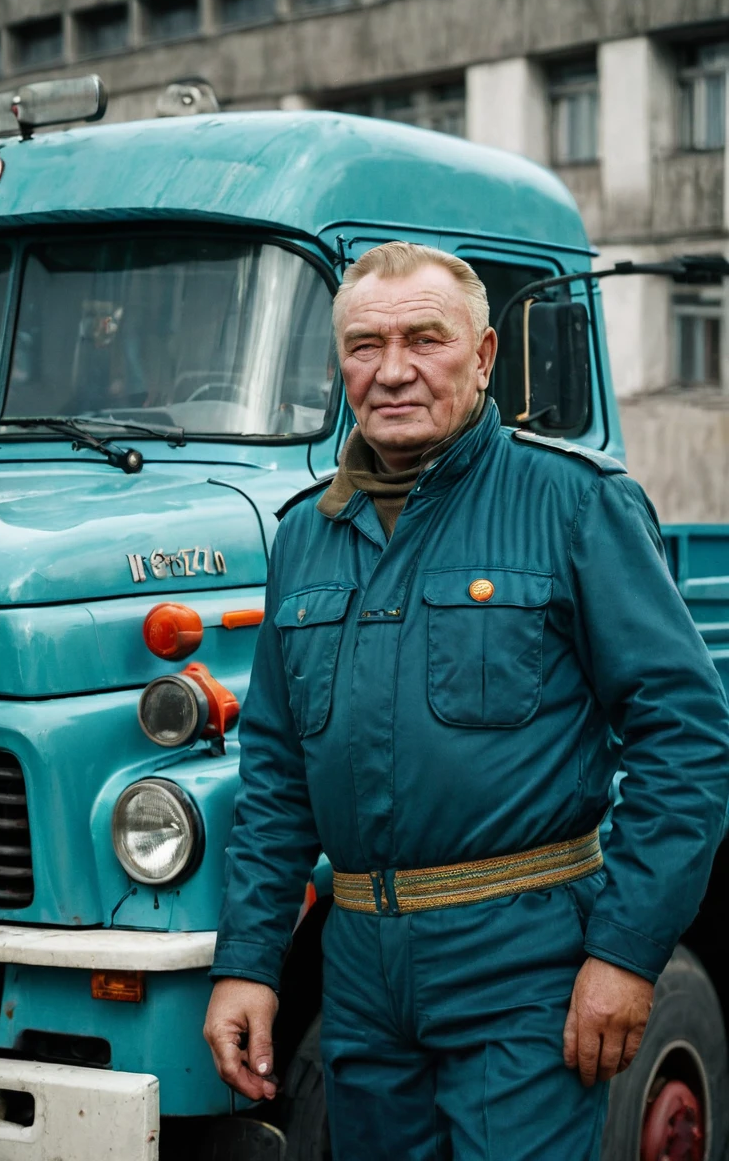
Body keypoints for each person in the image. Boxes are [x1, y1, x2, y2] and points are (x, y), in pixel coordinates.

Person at [203, 242, 729, 1160]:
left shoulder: (572, 504)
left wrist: (625, 950)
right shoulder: (303, 539)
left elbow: (684, 737)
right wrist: (248, 963)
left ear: (484, 356)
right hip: (361, 974)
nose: (394, 370)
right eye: (365, 345)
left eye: (425, 339)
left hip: (523, 967)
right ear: (340, 366)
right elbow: (278, 774)